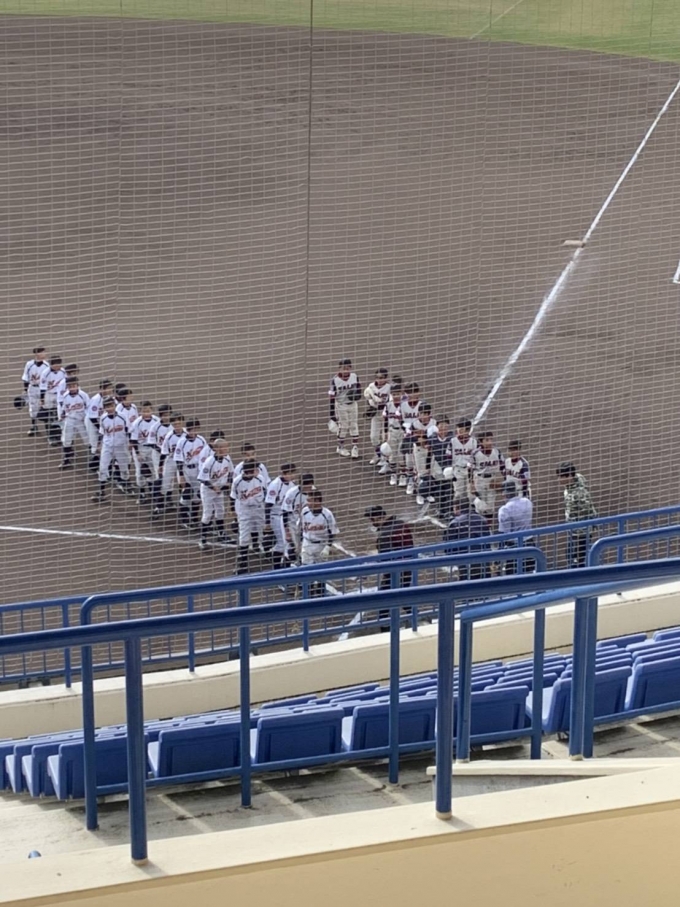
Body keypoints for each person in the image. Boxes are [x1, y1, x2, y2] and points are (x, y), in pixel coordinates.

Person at [364, 505, 414, 629]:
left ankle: (386, 628)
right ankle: (415, 617)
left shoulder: (384, 535)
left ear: (379, 517)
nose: (372, 523)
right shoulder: (401, 524)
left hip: (394, 571)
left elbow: (385, 559)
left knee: (384, 599)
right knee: (402, 596)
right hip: (408, 566)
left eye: (372, 519)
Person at [557, 462, 598, 568]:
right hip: (575, 529)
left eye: (561, 477)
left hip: (581, 531)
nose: (559, 479)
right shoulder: (579, 477)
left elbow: (587, 509)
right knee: (572, 554)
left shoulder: (577, 494)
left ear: (570, 476)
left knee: (576, 557)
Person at [92, 396, 133, 502]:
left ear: (115, 405)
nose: (109, 408)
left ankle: (126, 484)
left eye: (111, 406)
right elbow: (102, 433)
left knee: (124, 467)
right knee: (102, 468)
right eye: (107, 406)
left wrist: (130, 442)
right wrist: (99, 445)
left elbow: (129, 430)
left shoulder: (123, 416)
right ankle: (101, 491)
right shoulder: (103, 418)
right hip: (107, 446)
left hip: (121, 446)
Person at [197, 439, 235, 551]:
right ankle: (203, 539)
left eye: (227, 447)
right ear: (217, 449)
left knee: (220, 511)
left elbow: (231, 472)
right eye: (224, 447)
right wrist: (214, 488)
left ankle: (221, 534)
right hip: (208, 490)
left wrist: (228, 483)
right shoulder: (209, 461)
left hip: (219, 489)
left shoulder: (227, 458)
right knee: (207, 514)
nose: (227, 449)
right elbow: (202, 478)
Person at [231, 460, 268, 574]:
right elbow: (233, 497)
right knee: (244, 536)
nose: (258, 471)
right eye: (255, 469)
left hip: (258, 507)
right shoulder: (237, 481)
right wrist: (232, 511)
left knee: (260, 529)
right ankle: (242, 563)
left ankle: (258, 547)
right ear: (249, 471)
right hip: (245, 509)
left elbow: (265, 492)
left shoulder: (260, 479)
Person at [299, 490, 338, 594]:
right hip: (307, 543)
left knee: (321, 571)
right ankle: (309, 593)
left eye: (309, 500)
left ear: (317, 501)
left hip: (321, 545)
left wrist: (328, 547)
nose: (307, 503)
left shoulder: (327, 514)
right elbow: (300, 528)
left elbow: (332, 532)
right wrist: (300, 544)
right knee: (307, 570)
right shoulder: (304, 511)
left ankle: (320, 593)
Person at [443, 498, 491, 581]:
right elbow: (488, 539)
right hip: (483, 558)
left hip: (466, 561)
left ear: (457, 508)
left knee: (467, 583)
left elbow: (448, 546)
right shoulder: (482, 519)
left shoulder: (455, 523)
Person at [174, 418, 209, 530]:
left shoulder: (201, 440)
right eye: (192, 429)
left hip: (198, 470)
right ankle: (184, 519)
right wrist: (181, 476)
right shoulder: (182, 442)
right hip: (186, 469)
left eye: (196, 429)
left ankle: (194, 518)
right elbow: (178, 459)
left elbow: (206, 455)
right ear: (188, 430)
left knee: (198, 495)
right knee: (187, 493)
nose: (194, 431)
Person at [497, 479, 535, 574]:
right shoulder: (527, 502)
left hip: (514, 547)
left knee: (513, 576)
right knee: (530, 573)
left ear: (504, 494)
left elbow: (504, 534)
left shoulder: (505, 509)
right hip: (530, 544)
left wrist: (498, 556)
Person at [264, 463, 297, 568]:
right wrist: (267, 522)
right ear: (284, 473)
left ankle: (278, 560)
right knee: (282, 543)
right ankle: (276, 567)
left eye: (293, 473)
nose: (293, 475)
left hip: (287, 517)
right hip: (276, 516)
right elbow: (268, 504)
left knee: (289, 542)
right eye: (290, 473)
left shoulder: (292, 485)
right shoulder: (275, 485)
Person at [328, 357, 362, 458]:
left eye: (347, 368)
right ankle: (340, 447)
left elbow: (359, 389)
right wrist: (332, 414)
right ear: (339, 368)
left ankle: (355, 447)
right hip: (341, 405)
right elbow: (331, 397)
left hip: (353, 404)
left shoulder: (354, 376)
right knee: (344, 426)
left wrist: (357, 395)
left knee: (354, 425)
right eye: (343, 368)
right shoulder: (335, 380)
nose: (345, 370)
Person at [129, 402, 161, 505]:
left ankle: (152, 490)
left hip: (152, 449)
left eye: (148, 411)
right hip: (140, 448)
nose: (146, 413)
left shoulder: (157, 421)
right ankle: (142, 493)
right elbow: (133, 440)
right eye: (144, 411)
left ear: (152, 410)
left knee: (153, 470)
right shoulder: (137, 423)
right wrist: (137, 453)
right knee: (140, 472)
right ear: (140, 411)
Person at [471, 431, 505, 524]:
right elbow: (470, 470)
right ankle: (478, 525)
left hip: (492, 480)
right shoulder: (475, 453)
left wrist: (505, 481)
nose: (490, 442)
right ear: (481, 442)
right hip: (479, 480)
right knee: (481, 506)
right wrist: (471, 484)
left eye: (491, 439)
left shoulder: (497, 452)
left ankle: (488, 527)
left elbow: (503, 467)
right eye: (487, 440)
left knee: (490, 507)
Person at [57, 377, 90, 469]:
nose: (72, 388)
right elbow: (64, 408)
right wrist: (62, 415)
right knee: (66, 440)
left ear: (77, 385)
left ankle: (94, 459)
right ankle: (67, 459)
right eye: (70, 386)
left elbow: (89, 407)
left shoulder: (83, 395)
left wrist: (86, 418)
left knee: (87, 440)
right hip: (70, 419)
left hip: (81, 420)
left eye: (74, 385)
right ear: (67, 387)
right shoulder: (65, 396)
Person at [282, 472, 315, 564]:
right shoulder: (292, 493)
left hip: (305, 523)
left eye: (310, 486)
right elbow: (285, 512)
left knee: (304, 547)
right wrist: (287, 531)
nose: (309, 489)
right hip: (291, 522)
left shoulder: (314, 492)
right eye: (307, 486)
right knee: (292, 549)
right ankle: (286, 566)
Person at [363, 368, 391, 466]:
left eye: (382, 378)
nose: (379, 380)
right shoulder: (371, 387)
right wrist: (371, 405)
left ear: (386, 378)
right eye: (377, 378)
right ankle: (378, 455)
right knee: (374, 437)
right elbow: (368, 398)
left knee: (386, 437)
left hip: (386, 415)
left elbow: (390, 402)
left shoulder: (389, 388)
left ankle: (385, 459)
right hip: (376, 414)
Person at [21, 346, 48, 437]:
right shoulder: (29, 364)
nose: (44, 354)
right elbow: (25, 378)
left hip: (42, 389)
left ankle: (48, 429)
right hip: (32, 388)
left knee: (45, 407)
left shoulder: (47, 365)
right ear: (37, 354)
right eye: (42, 352)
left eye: (44, 352)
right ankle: (34, 426)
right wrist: (25, 390)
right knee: (33, 408)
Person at [39, 355, 66, 446]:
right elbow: (43, 387)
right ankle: (50, 436)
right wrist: (42, 399)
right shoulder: (45, 373)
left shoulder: (63, 371)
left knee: (60, 415)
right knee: (49, 416)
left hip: (60, 395)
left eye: (59, 364)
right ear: (51, 365)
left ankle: (59, 436)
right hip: (49, 395)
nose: (58, 366)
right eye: (56, 364)